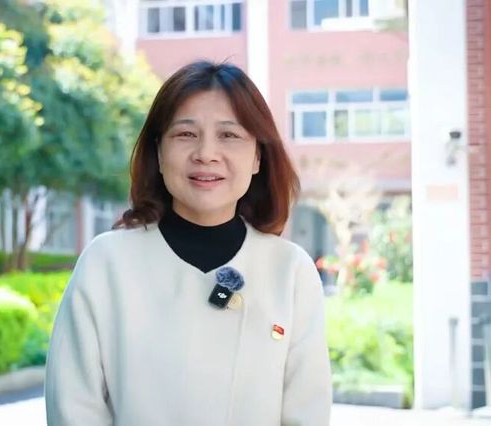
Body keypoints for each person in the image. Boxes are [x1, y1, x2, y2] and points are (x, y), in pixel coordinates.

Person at [45, 61, 332, 425]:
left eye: (229, 135)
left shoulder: (290, 271)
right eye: (185, 134)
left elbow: (307, 411)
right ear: (158, 153)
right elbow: (74, 408)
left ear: (258, 156)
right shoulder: (106, 264)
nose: (206, 153)